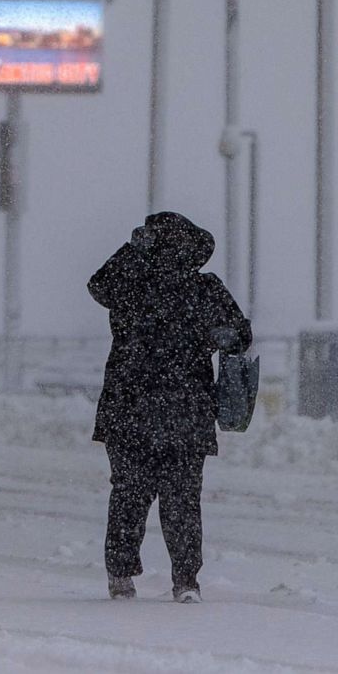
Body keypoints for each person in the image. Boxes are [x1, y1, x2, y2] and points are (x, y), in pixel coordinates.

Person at [87, 211, 251, 603]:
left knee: (131, 495)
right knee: (179, 499)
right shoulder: (194, 289)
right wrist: (226, 336)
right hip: (178, 410)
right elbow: (240, 334)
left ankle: (125, 576)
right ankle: (183, 582)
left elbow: (99, 286)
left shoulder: (138, 285)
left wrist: (131, 249)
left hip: (135, 407)